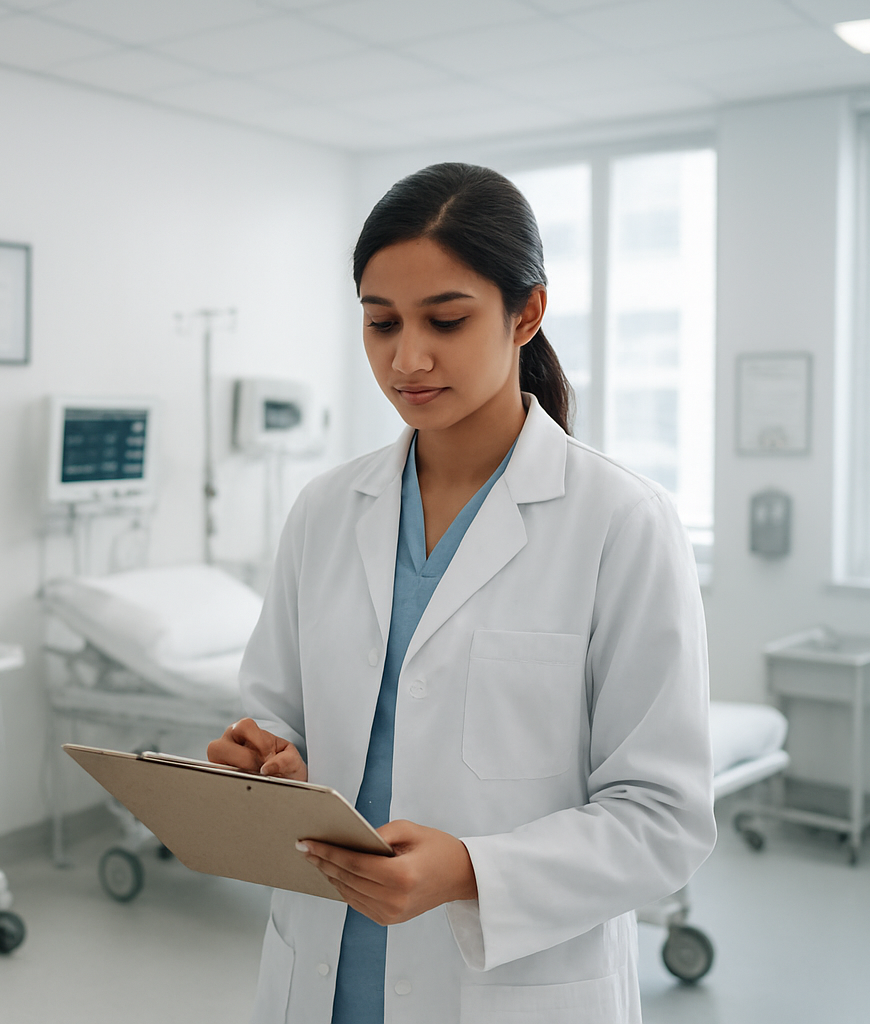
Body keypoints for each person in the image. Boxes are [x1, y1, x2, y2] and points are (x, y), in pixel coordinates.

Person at [207, 162, 714, 1024]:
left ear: (527, 313)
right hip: (323, 972)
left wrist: (471, 871)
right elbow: (278, 713)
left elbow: (664, 818)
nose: (407, 358)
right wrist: (273, 762)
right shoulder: (327, 511)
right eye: (380, 324)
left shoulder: (619, 521)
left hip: (511, 986)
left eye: (445, 320)